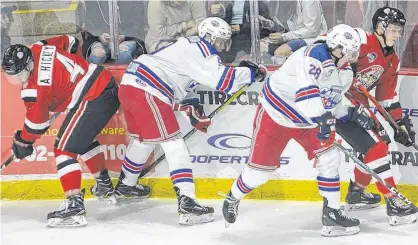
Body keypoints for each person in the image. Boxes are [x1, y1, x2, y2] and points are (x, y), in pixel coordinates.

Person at [112, 17, 266, 225]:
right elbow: (222, 80)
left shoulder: (187, 44)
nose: (222, 47)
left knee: (143, 140)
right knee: (174, 144)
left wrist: (191, 107)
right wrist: (251, 73)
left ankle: (126, 184)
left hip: (131, 84)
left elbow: (183, 80)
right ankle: (187, 203)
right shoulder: (201, 50)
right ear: (209, 37)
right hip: (148, 90)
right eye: (220, 41)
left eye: (225, 42)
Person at [222, 24, 364, 237]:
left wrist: (349, 113)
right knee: (259, 174)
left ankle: (332, 214)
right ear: (337, 49)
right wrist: (324, 120)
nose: (354, 58)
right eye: (350, 53)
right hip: (277, 113)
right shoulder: (313, 57)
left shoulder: (343, 70)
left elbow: (329, 100)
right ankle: (233, 196)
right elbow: (306, 98)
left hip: (308, 120)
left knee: (330, 157)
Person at [1, 35, 120, 228]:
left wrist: (22, 142)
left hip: (92, 97)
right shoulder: (39, 47)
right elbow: (71, 41)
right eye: (11, 75)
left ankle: (74, 207)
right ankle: (104, 186)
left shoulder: (34, 89)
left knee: (64, 150)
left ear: (29, 65)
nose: (17, 79)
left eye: (19, 74)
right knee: (81, 139)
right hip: (105, 83)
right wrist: (74, 74)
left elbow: (36, 125)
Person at [337, 7, 417, 226]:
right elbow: (327, 49)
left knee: (378, 144)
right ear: (380, 27)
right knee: (376, 147)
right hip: (336, 105)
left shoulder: (392, 60)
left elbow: (387, 98)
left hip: (358, 107)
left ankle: (357, 193)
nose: (397, 35)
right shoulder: (360, 40)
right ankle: (394, 201)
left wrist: (399, 123)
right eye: (393, 30)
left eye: (400, 31)